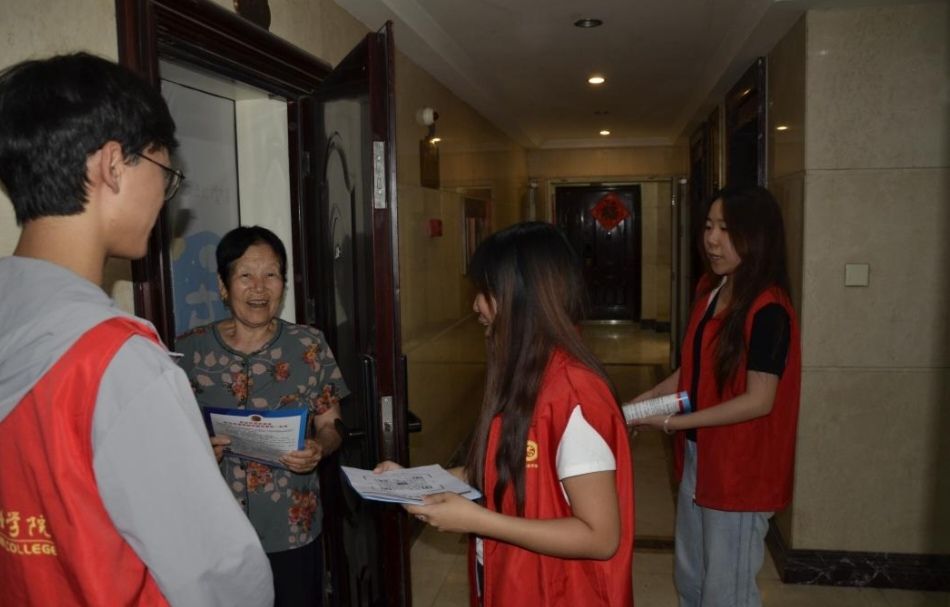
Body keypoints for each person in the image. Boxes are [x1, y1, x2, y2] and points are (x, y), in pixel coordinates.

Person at [0, 53, 273, 606]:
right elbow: (220, 579)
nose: (164, 198)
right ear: (112, 165)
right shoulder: (118, 363)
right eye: (165, 174)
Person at [377, 222, 634, 607]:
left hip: (559, 594)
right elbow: (501, 469)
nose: (475, 307)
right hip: (513, 581)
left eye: (485, 292)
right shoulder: (526, 376)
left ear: (520, 297)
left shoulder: (573, 392)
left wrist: (476, 520)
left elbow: (600, 537)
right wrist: (411, 483)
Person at [631, 185, 801, 607]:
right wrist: (642, 404)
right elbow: (693, 372)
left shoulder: (769, 309)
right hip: (701, 456)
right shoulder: (713, 291)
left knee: (726, 592)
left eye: (726, 229)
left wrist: (671, 422)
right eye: (709, 226)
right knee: (691, 578)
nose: (711, 239)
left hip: (740, 470)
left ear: (757, 236)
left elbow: (759, 400)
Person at [176, 225, 349, 607]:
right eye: (245, 276)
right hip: (214, 531)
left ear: (283, 284)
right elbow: (168, 438)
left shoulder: (309, 345)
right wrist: (197, 450)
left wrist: (319, 447)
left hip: (291, 527)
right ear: (223, 286)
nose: (259, 288)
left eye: (271, 274)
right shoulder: (189, 350)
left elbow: (332, 423)